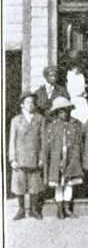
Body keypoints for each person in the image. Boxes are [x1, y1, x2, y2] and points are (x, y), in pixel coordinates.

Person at [42, 97, 84, 218]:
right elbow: (48, 146)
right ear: (56, 113)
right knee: (58, 184)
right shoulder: (52, 126)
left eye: (66, 111)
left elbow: (79, 143)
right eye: (60, 111)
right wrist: (49, 160)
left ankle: (67, 208)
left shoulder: (75, 124)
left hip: (71, 158)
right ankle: (59, 209)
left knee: (69, 183)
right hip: (57, 159)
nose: (64, 113)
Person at [8, 91, 45, 220]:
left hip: (34, 157)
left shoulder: (39, 119)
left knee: (35, 185)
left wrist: (41, 158)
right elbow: (12, 141)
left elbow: (42, 140)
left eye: (32, 102)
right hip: (20, 158)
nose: (30, 105)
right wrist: (12, 159)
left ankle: (34, 209)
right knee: (20, 185)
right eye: (27, 102)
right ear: (22, 105)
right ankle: (21, 209)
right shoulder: (16, 120)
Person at [65, 51, 88, 124]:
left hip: (82, 101)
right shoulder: (69, 75)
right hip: (73, 101)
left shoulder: (81, 76)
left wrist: (85, 94)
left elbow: (84, 90)